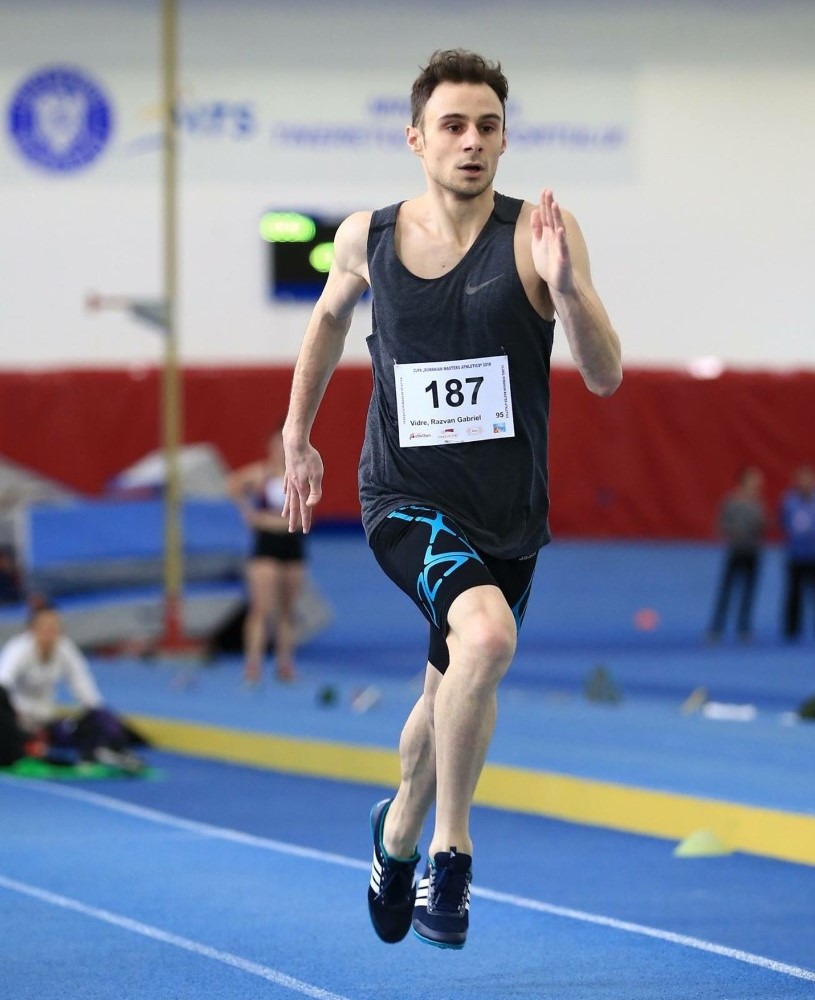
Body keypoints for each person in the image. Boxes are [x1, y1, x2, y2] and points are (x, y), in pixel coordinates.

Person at [281, 49, 622, 949]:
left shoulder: (540, 234)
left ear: (504, 139)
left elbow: (602, 374)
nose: (471, 141)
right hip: (404, 496)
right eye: (453, 125)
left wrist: (567, 288)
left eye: (487, 126)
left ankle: (394, 831)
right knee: (487, 638)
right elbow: (326, 319)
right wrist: (296, 432)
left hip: (508, 514)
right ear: (416, 139)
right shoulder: (368, 237)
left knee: (451, 686)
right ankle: (449, 855)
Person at [0, 602, 145, 771]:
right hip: (18, 724)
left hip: (46, 724)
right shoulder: (18, 649)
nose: (50, 632)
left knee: (99, 720)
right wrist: (14, 721)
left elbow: (84, 687)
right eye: (44, 627)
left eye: (54, 627)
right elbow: (2, 685)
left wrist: (100, 716)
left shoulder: (64, 648)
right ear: (32, 629)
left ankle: (107, 751)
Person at [227, 428, 305, 684]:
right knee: (262, 608)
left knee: (287, 609)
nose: (280, 451)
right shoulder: (261, 475)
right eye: (276, 445)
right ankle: (253, 665)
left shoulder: (300, 474)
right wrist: (247, 512)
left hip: (293, 545)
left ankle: (285, 664)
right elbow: (232, 483)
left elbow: (305, 515)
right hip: (266, 546)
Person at [706, 466, 766, 642]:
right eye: (754, 479)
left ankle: (744, 628)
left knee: (749, 592)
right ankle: (716, 628)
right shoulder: (732, 502)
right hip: (736, 551)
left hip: (753, 551)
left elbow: (762, 526)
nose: (757, 483)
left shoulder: (758, 503)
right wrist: (734, 532)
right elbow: (721, 525)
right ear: (744, 481)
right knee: (727, 591)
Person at [779, 464, 815, 640]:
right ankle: (792, 629)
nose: (805, 483)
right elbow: (783, 522)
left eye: (809, 479)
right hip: (796, 554)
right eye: (802, 480)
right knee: (794, 593)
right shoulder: (790, 501)